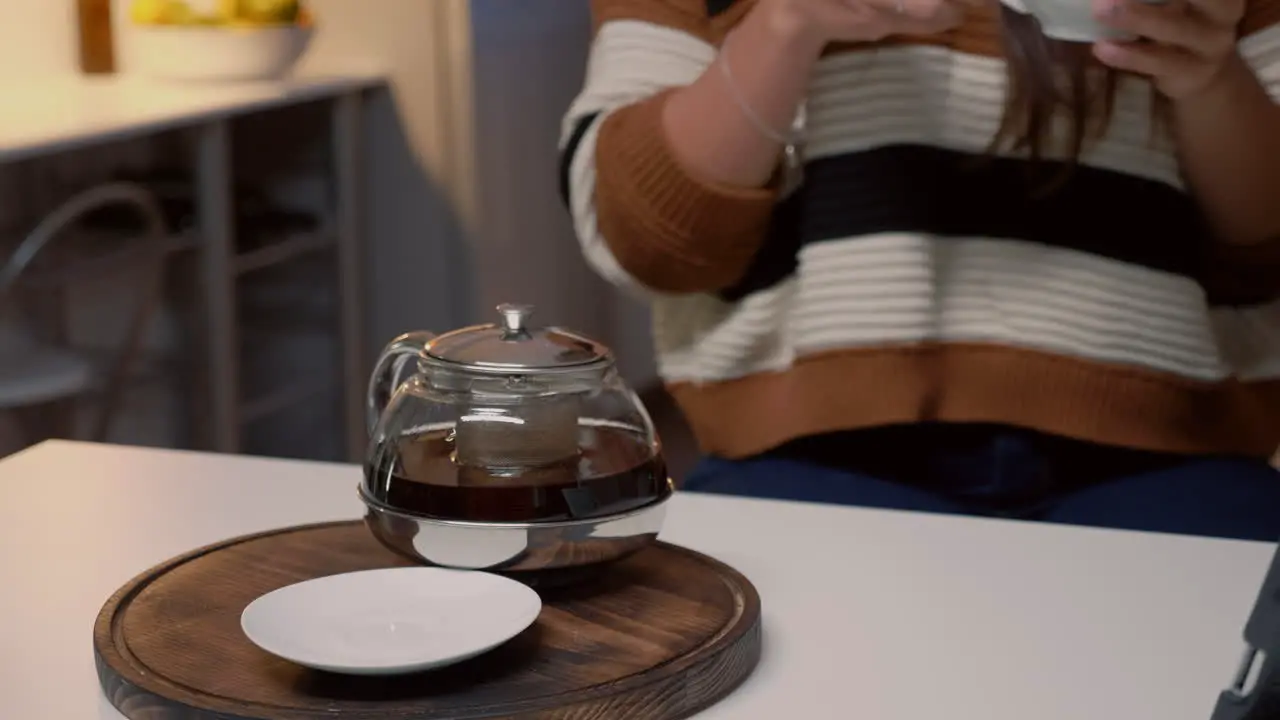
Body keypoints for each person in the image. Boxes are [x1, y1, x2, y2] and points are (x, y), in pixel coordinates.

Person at [558, 0, 1280, 541]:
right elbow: (646, 242)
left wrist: (1213, 77)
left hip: (1170, 450)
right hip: (806, 456)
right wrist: (785, 24)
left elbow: (1265, 259)